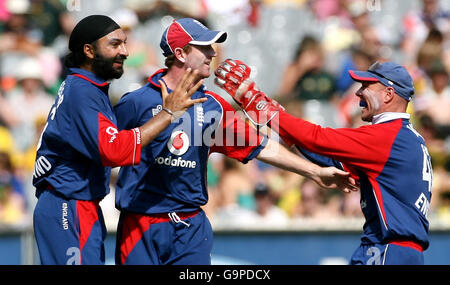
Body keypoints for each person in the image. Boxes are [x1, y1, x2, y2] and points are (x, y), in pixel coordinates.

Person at [113, 18, 358, 265]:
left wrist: (315, 172)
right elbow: (105, 150)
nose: (213, 53)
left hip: (190, 226)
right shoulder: (137, 102)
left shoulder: (213, 107)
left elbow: (262, 146)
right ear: (180, 53)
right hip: (140, 223)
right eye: (204, 47)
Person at [215, 60, 433, 265]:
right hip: (388, 247)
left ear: (388, 94)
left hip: (389, 249)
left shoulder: (388, 137)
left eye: (367, 85)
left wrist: (256, 102)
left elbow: (317, 138)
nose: (358, 92)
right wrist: (278, 121)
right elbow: (327, 157)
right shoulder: (406, 138)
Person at [31, 15, 206, 265]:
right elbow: (114, 151)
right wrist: (168, 113)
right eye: (114, 44)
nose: (124, 51)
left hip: (78, 204)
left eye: (125, 43)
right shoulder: (82, 91)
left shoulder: (86, 87)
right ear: (89, 50)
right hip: (67, 205)